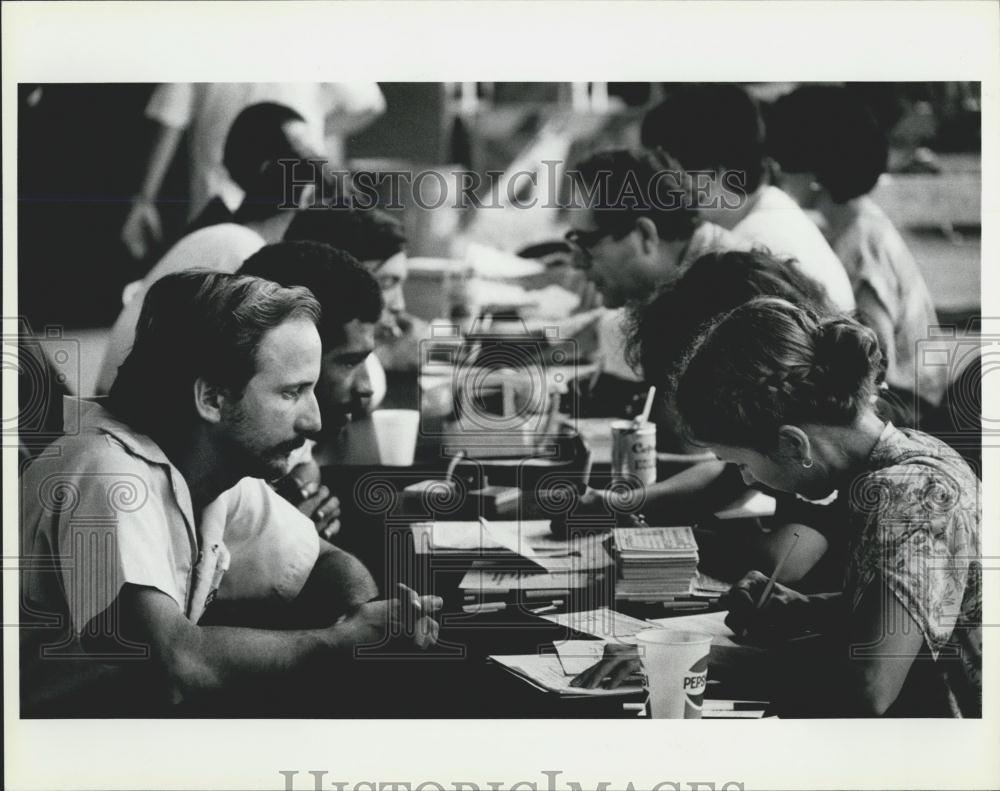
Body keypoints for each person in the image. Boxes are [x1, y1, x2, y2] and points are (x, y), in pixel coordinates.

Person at [20, 271, 439, 716]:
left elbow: (324, 561)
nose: (314, 421)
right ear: (213, 399)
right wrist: (339, 641)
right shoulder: (109, 475)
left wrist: (369, 616)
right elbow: (179, 663)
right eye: (292, 393)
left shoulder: (206, 466)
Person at [575, 298, 980, 717]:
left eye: (744, 464)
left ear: (793, 445)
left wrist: (694, 657)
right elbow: (920, 611)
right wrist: (808, 608)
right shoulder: (905, 458)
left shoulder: (906, 493)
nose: (746, 479)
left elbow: (869, 686)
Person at [97, 102, 326, 394]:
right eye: (307, 158)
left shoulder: (223, 234)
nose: (319, 166)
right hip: (137, 425)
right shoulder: (240, 250)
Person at [767, 84, 948, 407]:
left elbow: (876, 359)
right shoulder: (859, 220)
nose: (777, 174)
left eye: (784, 164)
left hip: (909, 403)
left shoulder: (861, 242)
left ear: (815, 173)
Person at [641, 84, 856, 313]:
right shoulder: (772, 207)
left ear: (716, 171)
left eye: (670, 175)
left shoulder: (751, 247)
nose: (662, 191)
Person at [563, 148, 740, 414]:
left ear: (646, 235)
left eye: (586, 243)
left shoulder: (729, 292)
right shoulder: (683, 278)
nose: (576, 263)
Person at [121, 82, 385, 260]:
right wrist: (299, 143)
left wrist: (295, 144)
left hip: (275, 196)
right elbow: (368, 105)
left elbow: (170, 118)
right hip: (232, 198)